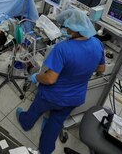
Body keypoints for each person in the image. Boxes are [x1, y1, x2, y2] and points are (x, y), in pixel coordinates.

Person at [16, 9, 105, 154]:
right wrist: (82, 71)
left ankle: (25, 122)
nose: (65, 29)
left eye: (67, 27)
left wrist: (37, 77)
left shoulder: (63, 48)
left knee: (36, 109)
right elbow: (101, 69)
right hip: (75, 97)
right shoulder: (97, 44)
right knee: (56, 122)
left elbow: (50, 79)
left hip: (52, 96)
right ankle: (46, 149)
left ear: (75, 28)